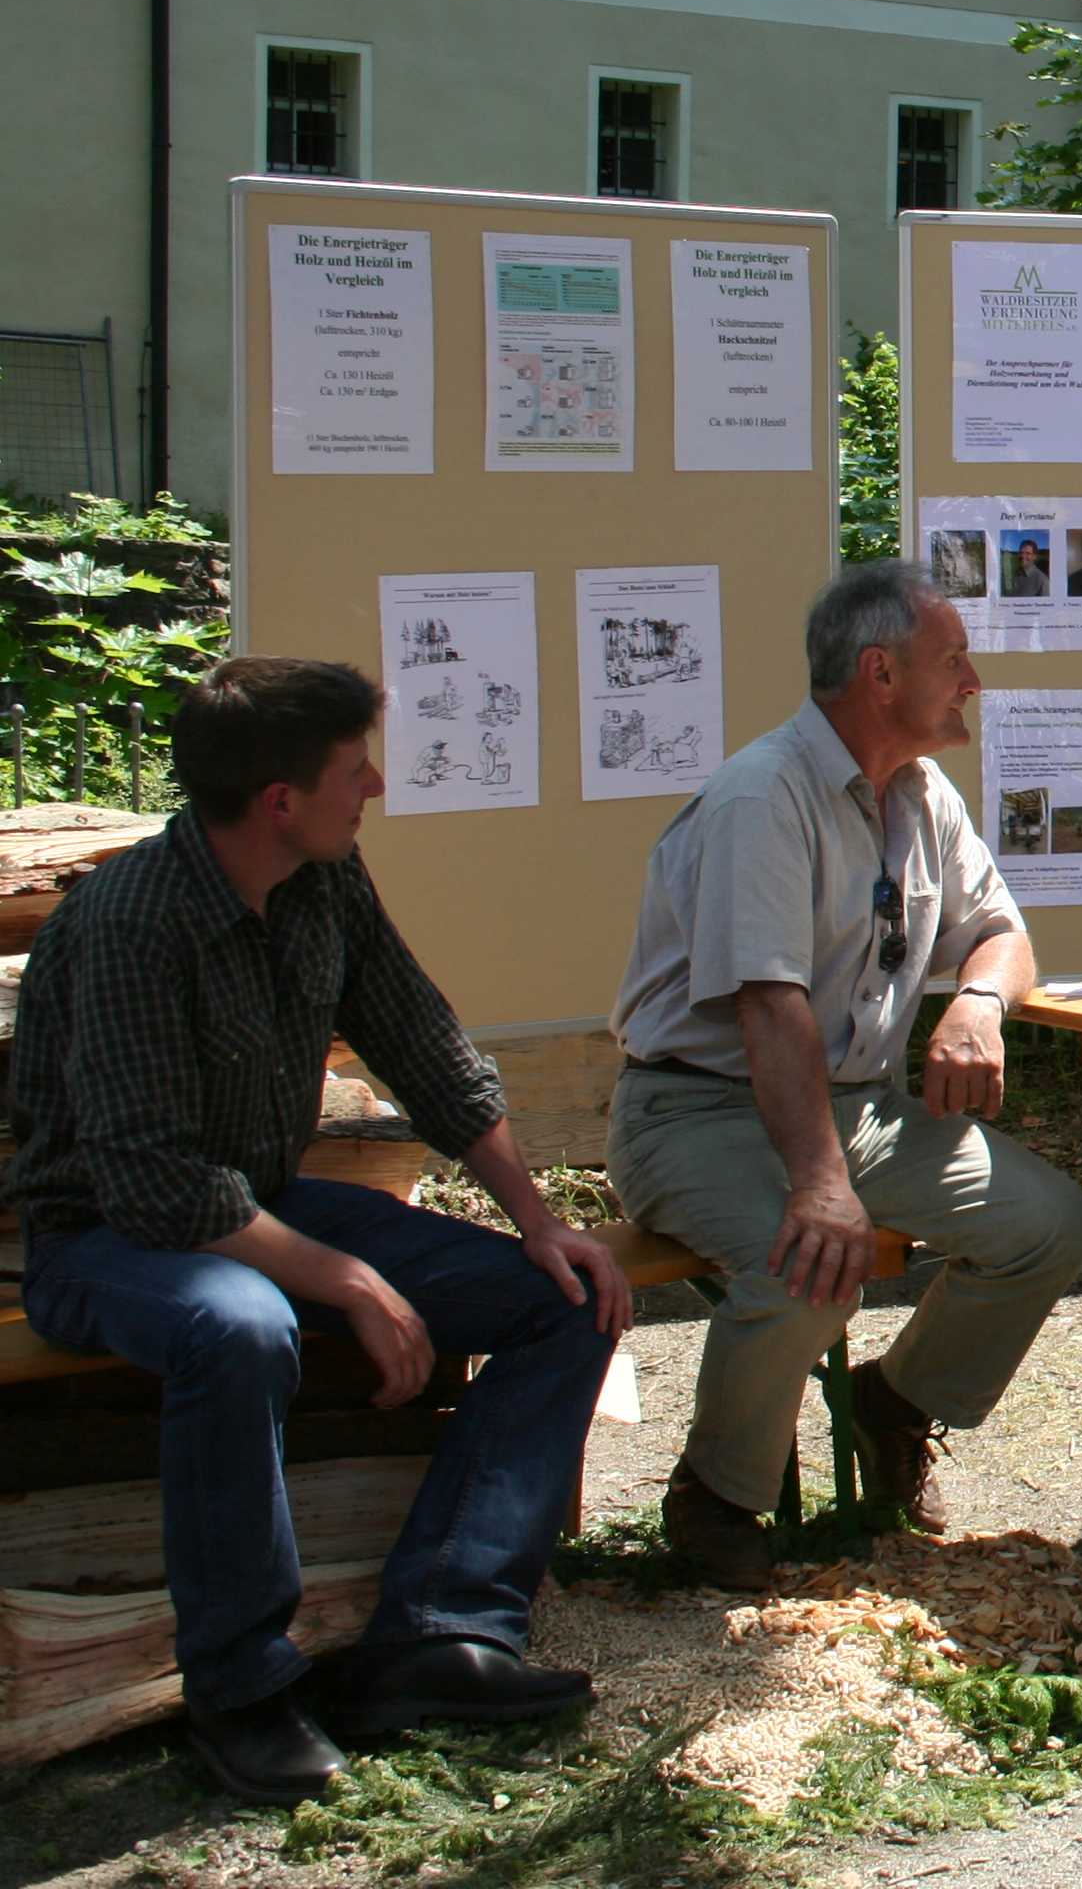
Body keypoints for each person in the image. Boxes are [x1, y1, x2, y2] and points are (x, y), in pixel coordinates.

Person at [7, 659, 625, 1804]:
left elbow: (425, 1044)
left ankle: (440, 1631)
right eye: (354, 770)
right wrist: (344, 1277)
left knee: (568, 1301)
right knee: (239, 1332)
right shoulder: (129, 922)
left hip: (258, 1202)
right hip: (103, 1238)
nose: (377, 785)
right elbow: (149, 1186)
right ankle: (240, 1688)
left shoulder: (324, 884)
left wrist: (538, 1221)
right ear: (280, 799)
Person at [607, 562, 1082, 1587]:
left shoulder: (921, 792)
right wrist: (820, 1185)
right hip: (699, 1111)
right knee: (810, 1268)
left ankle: (894, 1402)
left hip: (854, 1103)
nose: (972, 681)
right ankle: (717, 1496)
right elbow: (767, 1006)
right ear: (880, 673)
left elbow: (1002, 930)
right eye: (951, 661)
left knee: (1045, 1224)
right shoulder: (764, 794)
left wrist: (979, 1003)